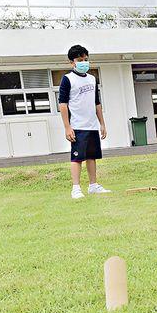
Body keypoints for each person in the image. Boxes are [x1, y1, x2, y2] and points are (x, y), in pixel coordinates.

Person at [59, 44, 110, 199]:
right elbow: (63, 104)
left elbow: (97, 103)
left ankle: (93, 185)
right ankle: (76, 188)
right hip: (77, 126)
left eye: (86, 59)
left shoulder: (92, 79)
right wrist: (67, 127)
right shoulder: (67, 79)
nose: (83, 62)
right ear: (72, 62)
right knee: (77, 157)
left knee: (91, 156)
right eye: (80, 59)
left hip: (92, 126)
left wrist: (102, 123)